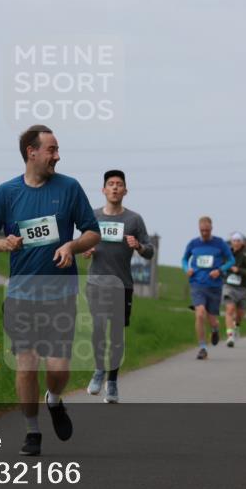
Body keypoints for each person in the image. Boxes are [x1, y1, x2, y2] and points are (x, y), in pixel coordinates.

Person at [0, 125, 100, 457]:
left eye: (57, 150)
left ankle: (54, 400)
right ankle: (32, 432)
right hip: (21, 294)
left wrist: (72, 245)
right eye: (51, 150)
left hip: (60, 292)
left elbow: (93, 232)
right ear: (32, 152)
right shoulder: (7, 192)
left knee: (58, 369)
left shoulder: (69, 188)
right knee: (26, 364)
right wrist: (2, 243)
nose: (57, 156)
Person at [82, 170, 154, 403]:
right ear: (103, 190)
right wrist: (85, 250)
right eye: (110, 184)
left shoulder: (134, 220)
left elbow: (150, 250)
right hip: (96, 281)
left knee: (116, 334)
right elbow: (81, 243)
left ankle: (112, 382)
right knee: (99, 328)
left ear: (125, 191)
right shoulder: (92, 217)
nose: (114, 187)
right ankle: (98, 370)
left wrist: (139, 246)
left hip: (122, 284)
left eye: (119, 184)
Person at [182, 216, 235, 360]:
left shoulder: (219, 243)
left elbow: (231, 260)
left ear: (211, 228)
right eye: (202, 230)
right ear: (199, 229)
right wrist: (187, 268)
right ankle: (202, 347)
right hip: (197, 284)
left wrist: (220, 270)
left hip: (214, 286)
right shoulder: (193, 244)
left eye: (206, 230)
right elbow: (184, 259)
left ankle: (215, 329)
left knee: (213, 320)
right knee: (199, 313)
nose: (204, 233)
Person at [222, 232, 246, 348]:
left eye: (238, 241)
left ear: (242, 243)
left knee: (240, 314)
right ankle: (230, 336)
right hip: (229, 286)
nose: (236, 243)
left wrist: (239, 270)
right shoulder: (227, 255)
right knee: (230, 309)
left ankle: (236, 326)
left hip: (243, 288)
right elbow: (220, 266)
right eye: (234, 240)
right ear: (231, 242)